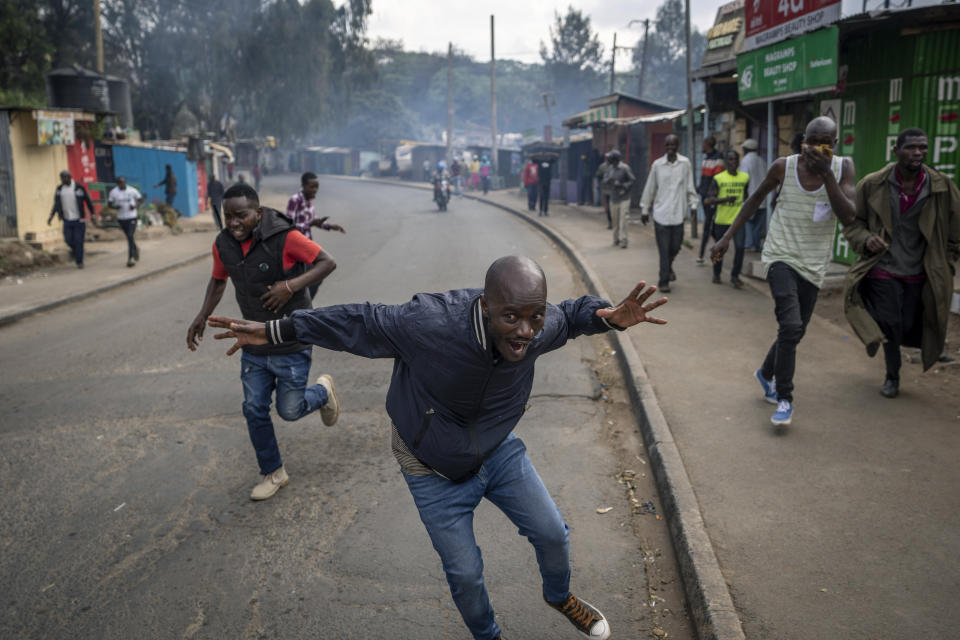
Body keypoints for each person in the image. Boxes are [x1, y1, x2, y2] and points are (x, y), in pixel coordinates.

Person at [206, 255, 670, 640]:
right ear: (486, 305)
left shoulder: (538, 327)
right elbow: (358, 321)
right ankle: (489, 637)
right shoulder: (429, 323)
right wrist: (276, 332)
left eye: (534, 317)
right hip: (430, 467)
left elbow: (569, 316)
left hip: (497, 451)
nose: (525, 332)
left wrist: (605, 318)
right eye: (511, 317)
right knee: (465, 575)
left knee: (552, 533)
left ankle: (559, 596)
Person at [186, 183, 341, 501]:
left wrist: (290, 285)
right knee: (254, 409)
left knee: (290, 410)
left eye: (240, 216)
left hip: (291, 339)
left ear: (257, 213)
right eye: (228, 217)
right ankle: (273, 472)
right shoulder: (223, 244)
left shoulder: (285, 238)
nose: (233, 223)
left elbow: (327, 262)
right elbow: (218, 280)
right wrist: (202, 316)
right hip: (253, 339)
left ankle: (322, 393)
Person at [711, 116, 857, 427]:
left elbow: (848, 216)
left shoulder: (844, 168)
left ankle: (765, 373)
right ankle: (784, 397)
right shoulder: (784, 166)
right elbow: (754, 200)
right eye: (809, 142)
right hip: (780, 256)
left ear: (834, 144)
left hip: (814, 263)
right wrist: (726, 237)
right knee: (790, 326)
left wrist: (827, 175)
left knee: (795, 332)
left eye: (822, 144)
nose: (813, 150)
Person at [841, 127, 960, 398]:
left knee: (908, 322)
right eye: (911, 147)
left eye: (923, 148)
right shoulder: (873, 184)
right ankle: (892, 376)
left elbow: (955, 228)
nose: (918, 152)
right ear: (896, 151)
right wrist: (867, 239)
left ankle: (876, 333)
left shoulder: (941, 186)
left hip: (921, 270)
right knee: (891, 323)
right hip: (883, 268)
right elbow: (852, 223)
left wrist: (948, 260)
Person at [640, 134, 699, 294]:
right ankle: (663, 280)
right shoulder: (657, 165)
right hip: (661, 214)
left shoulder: (685, 163)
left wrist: (693, 205)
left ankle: (668, 267)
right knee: (664, 250)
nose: (670, 148)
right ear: (665, 147)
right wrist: (645, 208)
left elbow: (689, 186)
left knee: (676, 246)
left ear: (678, 146)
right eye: (668, 145)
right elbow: (650, 187)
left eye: (673, 145)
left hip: (678, 215)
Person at [286, 172, 347, 300]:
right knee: (312, 275)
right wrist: (309, 224)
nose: (315, 190)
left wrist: (330, 226)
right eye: (312, 187)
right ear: (303, 186)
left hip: (307, 244)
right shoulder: (295, 200)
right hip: (295, 247)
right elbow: (287, 226)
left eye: (316, 187)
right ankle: (303, 306)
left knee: (316, 277)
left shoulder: (310, 200)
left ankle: (305, 304)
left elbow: (314, 219)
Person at [704, 151, 750, 288]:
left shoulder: (745, 177)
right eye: (730, 159)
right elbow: (709, 199)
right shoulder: (718, 178)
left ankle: (735, 276)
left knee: (740, 248)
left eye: (735, 159)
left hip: (738, 221)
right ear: (726, 161)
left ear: (738, 161)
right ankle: (717, 273)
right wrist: (726, 199)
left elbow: (746, 196)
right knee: (719, 250)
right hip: (722, 220)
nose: (733, 162)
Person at [47, 170, 97, 269]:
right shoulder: (59, 189)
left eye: (64, 178)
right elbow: (56, 203)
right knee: (68, 239)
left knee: (79, 241)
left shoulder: (79, 188)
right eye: (61, 178)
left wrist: (93, 214)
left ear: (70, 177)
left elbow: (88, 201)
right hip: (67, 219)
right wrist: (51, 216)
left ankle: (79, 261)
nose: (63, 180)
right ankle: (76, 251)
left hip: (79, 219)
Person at [697, 136, 724, 264]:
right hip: (704, 196)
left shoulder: (718, 159)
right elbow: (704, 178)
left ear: (708, 144)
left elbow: (716, 180)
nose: (702, 146)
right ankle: (717, 245)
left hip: (711, 199)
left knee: (708, 225)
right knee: (709, 226)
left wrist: (709, 197)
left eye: (703, 143)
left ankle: (701, 255)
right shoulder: (706, 158)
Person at [602, 150, 636, 249]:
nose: (609, 160)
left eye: (610, 159)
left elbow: (632, 180)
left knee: (623, 220)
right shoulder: (609, 169)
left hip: (624, 197)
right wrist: (608, 180)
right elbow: (604, 180)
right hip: (613, 198)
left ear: (615, 159)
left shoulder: (625, 168)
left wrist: (622, 185)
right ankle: (615, 239)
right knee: (615, 221)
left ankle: (624, 241)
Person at [107, 176, 145, 268]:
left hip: (132, 217)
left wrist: (135, 206)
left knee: (130, 236)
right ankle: (135, 248)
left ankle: (130, 258)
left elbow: (140, 200)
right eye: (119, 183)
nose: (121, 184)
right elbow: (109, 204)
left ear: (125, 182)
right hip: (121, 218)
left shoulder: (132, 191)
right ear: (117, 184)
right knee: (129, 236)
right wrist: (115, 207)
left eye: (123, 182)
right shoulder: (113, 192)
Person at [740, 139, 768, 251]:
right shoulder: (762, 160)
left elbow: (744, 180)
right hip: (762, 199)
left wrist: (744, 197)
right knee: (758, 225)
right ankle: (756, 245)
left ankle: (749, 244)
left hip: (750, 198)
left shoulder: (746, 160)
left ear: (746, 149)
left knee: (748, 223)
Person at [595, 152, 612, 229]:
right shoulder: (603, 166)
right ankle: (610, 223)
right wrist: (600, 183)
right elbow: (598, 175)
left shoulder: (619, 166)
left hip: (617, 191)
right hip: (607, 189)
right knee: (609, 208)